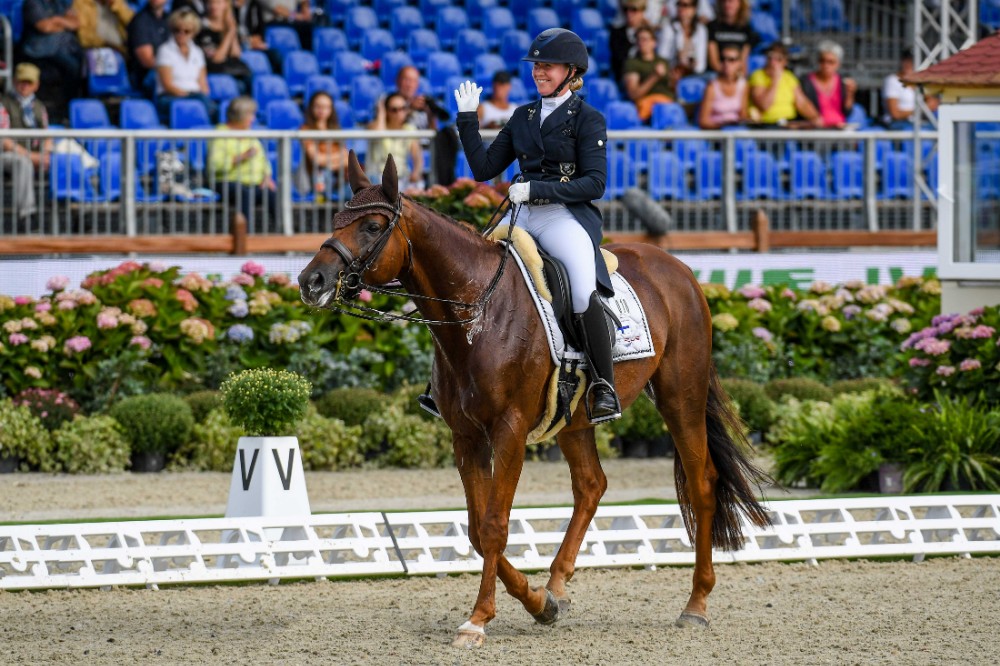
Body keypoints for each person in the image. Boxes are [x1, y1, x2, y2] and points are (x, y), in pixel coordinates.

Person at [451, 28, 621, 423]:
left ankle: (603, 385)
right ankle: (443, 383)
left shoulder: (588, 119)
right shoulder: (523, 116)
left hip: (562, 217)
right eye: (536, 65)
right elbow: (483, 169)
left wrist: (537, 188)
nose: (539, 71)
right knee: (474, 276)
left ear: (571, 71)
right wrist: (467, 119)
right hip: (522, 215)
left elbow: (595, 184)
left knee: (581, 291)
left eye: (547, 65)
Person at [209, 96, 276, 228]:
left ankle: (284, 233)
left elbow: (263, 159)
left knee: (272, 194)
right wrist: (241, 157)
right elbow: (214, 164)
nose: (253, 119)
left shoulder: (249, 134)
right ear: (239, 116)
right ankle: (245, 236)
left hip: (254, 182)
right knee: (244, 192)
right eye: (251, 114)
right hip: (227, 182)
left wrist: (267, 176)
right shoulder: (220, 135)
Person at [0, 64, 52, 221]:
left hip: (33, 154)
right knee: (23, 163)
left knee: (64, 159)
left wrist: (46, 153)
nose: (24, 85)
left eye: (29, 82)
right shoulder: (3, 104)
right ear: (15, 82)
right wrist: (34, 157)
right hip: (6, 156)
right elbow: (4, 141)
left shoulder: (39, 106)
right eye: (21, 81)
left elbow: (47, 135)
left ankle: (81, 213)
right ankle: (27, 215)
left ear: (36, 85)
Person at [20, 0, 85, 123]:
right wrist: (63, 22)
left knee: (76, 64)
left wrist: (56, 20)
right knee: (70, 66)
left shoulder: (60, 3)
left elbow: (76, 23)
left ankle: (67, 112)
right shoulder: (33, 3)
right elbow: (44, 27)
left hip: (60, 49)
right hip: (36, 51)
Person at [155, 8, 217, 125]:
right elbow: (168, 85)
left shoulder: (197, 52)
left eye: (186, 31)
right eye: (177, 30)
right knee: (202, 105)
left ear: (194, 32)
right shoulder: (165, 50)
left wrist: (200, 97)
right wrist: (191, 97)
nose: (181, 34)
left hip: (195, 96)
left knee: (210, 105)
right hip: (170, 97)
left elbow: (203, 83)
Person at [748, 42, 818, 126]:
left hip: (788, 124)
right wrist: (775, 80)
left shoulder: (789, 77)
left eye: (778, 59)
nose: (773, 62)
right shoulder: (758, 76)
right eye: (770, 57)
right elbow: (764, 105)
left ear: (785, 62)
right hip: (767, 125)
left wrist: (815, 117)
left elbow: (802, 103)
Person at [366, 92, 425, 190]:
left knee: (419, 186)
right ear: (386, 111)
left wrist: (416, 172)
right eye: (394, 110)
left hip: (403, 177)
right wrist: (381, 112)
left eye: (403, 108)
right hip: (378, 178)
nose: (399, 113)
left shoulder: (410, 128)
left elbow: (417, 156)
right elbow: (378, 134)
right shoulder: (374, 126)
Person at [296, 91, 348, 199]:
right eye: (318, 106)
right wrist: (338, 157)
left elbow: (347, 158)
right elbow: (316, 159)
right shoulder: (305, 129)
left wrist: (329, 163)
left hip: (340, 178)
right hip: (319, 179)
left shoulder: (336, 130)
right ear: (311, 108)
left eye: (325, 107)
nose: (322, 110)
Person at [195, 0, 253, 95]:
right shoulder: (202, 28)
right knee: (239, 86)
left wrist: (232, 30)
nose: (213, 6)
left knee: (251, 80)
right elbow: (217, 58)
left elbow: (236, 54)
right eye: (210, 3)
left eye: (218, 3)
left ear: (226, 5)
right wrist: (229, 34)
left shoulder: (229, 26)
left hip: (230, 70)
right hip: (214, 70)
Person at [799, 40, 857, 129]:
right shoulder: (806, 81)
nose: (826, 65)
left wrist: (850, 94)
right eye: (822, 61)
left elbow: (847, 111)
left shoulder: (843, 81)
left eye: (831, 62)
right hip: (814, 130)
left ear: (838, 64)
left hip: (839, 128)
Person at [623, 25, 675, 122]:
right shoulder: (632, 63)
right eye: (639, 39)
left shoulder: (663, 62)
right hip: (647, 107)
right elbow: (633, 94)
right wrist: (654, 76)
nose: (641, 43)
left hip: (667, 104)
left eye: (645, 39)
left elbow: (672, 88)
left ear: (654, 42)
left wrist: (675, 79)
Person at [882, 48, 938, 129]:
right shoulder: (892, 81)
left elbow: (933, 102)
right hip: (898, 124)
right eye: (906, 60)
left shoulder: (920, 81)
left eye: (912, 61)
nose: (908, 64)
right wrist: (922, 109)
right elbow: (895, 114)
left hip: (917, 123)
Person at [698, 44, 747, 128]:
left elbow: (743, 114)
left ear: (739, 63)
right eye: (723, 59)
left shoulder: (743, 85)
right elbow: (703, 120)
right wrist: (722, 127)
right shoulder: (711, 87)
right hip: (717, 133)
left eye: (732, 60)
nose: (726, 63)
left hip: (736, 131)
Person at [126, 0, 169, 96]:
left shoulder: (169, 19)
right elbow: (147, 61)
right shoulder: (140, 21)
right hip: (145, 77)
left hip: (167, 72)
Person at [657, 0, 709, 80]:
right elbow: (661, 58)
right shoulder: (668, 28)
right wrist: (676, 60)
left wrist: (689, 66)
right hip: (671, 73)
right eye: (679, 4)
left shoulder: (701, 30)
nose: (681, 8)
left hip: (694, 75)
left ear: (694, 9)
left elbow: (701, 66)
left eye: (686, 5)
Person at [706, 0, 756, 75]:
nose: (727, 4)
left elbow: (743, 60)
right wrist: (727, 73)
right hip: (716, 73)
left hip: (736, 73)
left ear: (740, 3)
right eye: (725, 1)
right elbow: (714, 62)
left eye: (731, 1)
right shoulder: (712, 27)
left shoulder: (746, 29)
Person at [609, 0, 649, 93]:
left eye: (634, 10)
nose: (629, 13)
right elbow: (620, 60)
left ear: (642, 12)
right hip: (625, 78)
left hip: (646, 76)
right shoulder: (617, 34)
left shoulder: (650, 33)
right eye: (626, 9)